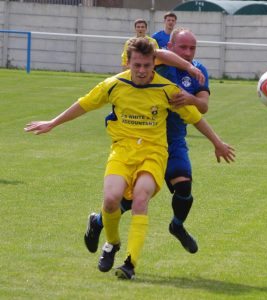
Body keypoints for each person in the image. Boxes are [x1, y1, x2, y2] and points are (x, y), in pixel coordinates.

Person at [25, 38, 235, 280]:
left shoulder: (167, 89)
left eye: (147, 65)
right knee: (111, 200)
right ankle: (112, 243)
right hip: (122, 152)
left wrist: (217, 142)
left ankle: (130, 263)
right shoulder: (114, 85)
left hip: (153, 153)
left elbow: (197, 116)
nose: (143, 71)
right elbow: (83, 104)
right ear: (128, 63)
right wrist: (52, 123)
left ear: (154, 64)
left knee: (141, 198)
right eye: (137, 65)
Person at [84, 28, 210, 255]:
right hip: (143, 138)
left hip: (174, 139)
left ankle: (177, 226)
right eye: (183, 47)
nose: (188, 53)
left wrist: (190, 97)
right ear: (169, 48)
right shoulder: (155, 62)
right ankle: (100, 223)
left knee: (184, 186)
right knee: (131, 199)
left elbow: (203, 107)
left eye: (192, 48)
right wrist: (185, 64)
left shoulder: (199, 70)